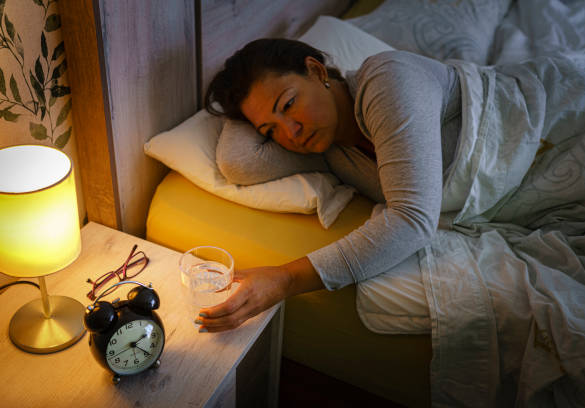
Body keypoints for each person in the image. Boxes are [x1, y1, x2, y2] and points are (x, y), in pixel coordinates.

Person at [195, 38, 463, 332]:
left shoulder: (387, 79)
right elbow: (238, 163)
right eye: (270, 131)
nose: (291, 133)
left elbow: (413, 219)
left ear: (317, 71)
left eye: (288, 104)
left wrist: (285, 279)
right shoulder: (329, 153)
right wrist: (243, 109)